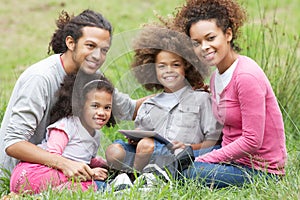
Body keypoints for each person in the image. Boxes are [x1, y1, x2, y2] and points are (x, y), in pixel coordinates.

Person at [0, 9, 141, 180]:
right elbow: (13, 143)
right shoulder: (40, 78)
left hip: (65, 171)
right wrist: (64, 163)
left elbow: (130, 108)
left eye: (104, 50)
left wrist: (176, 93)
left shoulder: (89, 77)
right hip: (24, 175)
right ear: (71, 43)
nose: (98, 56)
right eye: (90, 46)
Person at [171, 0, 287, 188]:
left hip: (258, 169)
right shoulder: (216, 78)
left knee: (189, 171)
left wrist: (206, 159)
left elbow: (252, 141)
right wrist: (191, 149)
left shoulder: (246, 76)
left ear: (228, 34)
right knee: (175, 157)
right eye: (196, 43)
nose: (204, 47)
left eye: (210, 38)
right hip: (230, 156)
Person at [105, 25, 222, 174]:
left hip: (178, 155)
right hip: (146, 153)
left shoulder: (201, 99)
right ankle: (134, 173)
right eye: (162, 66)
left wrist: (188, 148)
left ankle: (133, 179)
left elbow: (214, 141)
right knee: (114, 151)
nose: (169, 70)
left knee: (146, 146)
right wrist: (135, 139)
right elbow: (141, 137)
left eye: (175, 65)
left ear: (187, 67)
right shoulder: (149, 104)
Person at [10, 72, 114, 193]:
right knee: (93, 186)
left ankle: (27, 195)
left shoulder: (95, 134)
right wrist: (90, 174)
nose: (102, 112)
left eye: (107, 107)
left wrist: (106, 165)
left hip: (47, 178)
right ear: (80, 105)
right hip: (31, 173)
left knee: (94, 184)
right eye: (95, 106)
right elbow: (52, 157)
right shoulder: (67, 126)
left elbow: (85, 158)